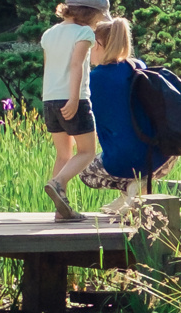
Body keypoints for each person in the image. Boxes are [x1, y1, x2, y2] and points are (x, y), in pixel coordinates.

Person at [74, 18, 174, 205]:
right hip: (160, 156)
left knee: (84, 170)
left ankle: (129, 189)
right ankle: (132, 193)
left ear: (97, 45)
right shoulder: (139, 67)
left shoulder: (94, 79)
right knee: (131, 150)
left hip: (124, 160)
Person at [40, 0, 110, 221]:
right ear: (90, 14)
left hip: (49, 99)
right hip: (74, 98)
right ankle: (58, 182)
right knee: (87, 151)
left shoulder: (49, 34)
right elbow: (77, 65)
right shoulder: (84, 34)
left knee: (63, 155)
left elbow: (49, 68)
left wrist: (53, 98)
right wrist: (73, 98)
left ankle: (61, 212)